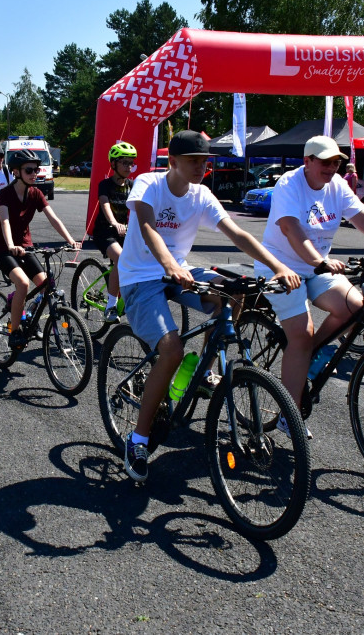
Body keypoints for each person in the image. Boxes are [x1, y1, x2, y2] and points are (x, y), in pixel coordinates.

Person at [115, 130, 300, 482]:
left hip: (179, 271)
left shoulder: (201, 195)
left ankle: (201, 370)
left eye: (205, 161)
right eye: (194, 161)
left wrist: (278, 266)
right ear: (173, 162)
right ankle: (138, 440)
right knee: (170, 349)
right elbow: (147, 225)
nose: (202, 166)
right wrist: (169, 264)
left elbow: (238, 233)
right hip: (141, 275)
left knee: (235, 293)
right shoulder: (148, 184)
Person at [253, 135, 364, 439]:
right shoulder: (289, 184)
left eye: (336, 161)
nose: (332, 167)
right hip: (280, 266)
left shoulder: (338, 185)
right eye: (325, 162)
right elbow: (290, 227)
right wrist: (318, 261)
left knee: (356, 306)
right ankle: (289, 412)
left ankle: (307, 352)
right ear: (308, 161)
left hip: (317, 267)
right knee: (302, 332)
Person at [0, 149, 80, 350]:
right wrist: (11, 244)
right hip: (3, 248)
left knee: (47, 284)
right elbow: (4, 220)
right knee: (22, 283)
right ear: (16, 171)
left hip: (25, 247)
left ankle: (26, 312)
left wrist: (70, 240)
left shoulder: (36, 193)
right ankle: (14, 331)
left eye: (36, 169)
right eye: (29, 170)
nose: (34, 173)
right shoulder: (5, 194)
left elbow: (53, 218)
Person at [90, 141, 138, 322]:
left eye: (131, 163)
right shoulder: (105, 185)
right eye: (125, 162)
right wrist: (114, 222)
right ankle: (111, 305)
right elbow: (105, 204)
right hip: (105, 232)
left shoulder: (132, 185)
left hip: (125, 232)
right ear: (114, 164)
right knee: (121, 257)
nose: (129, 166)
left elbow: (139, 208)